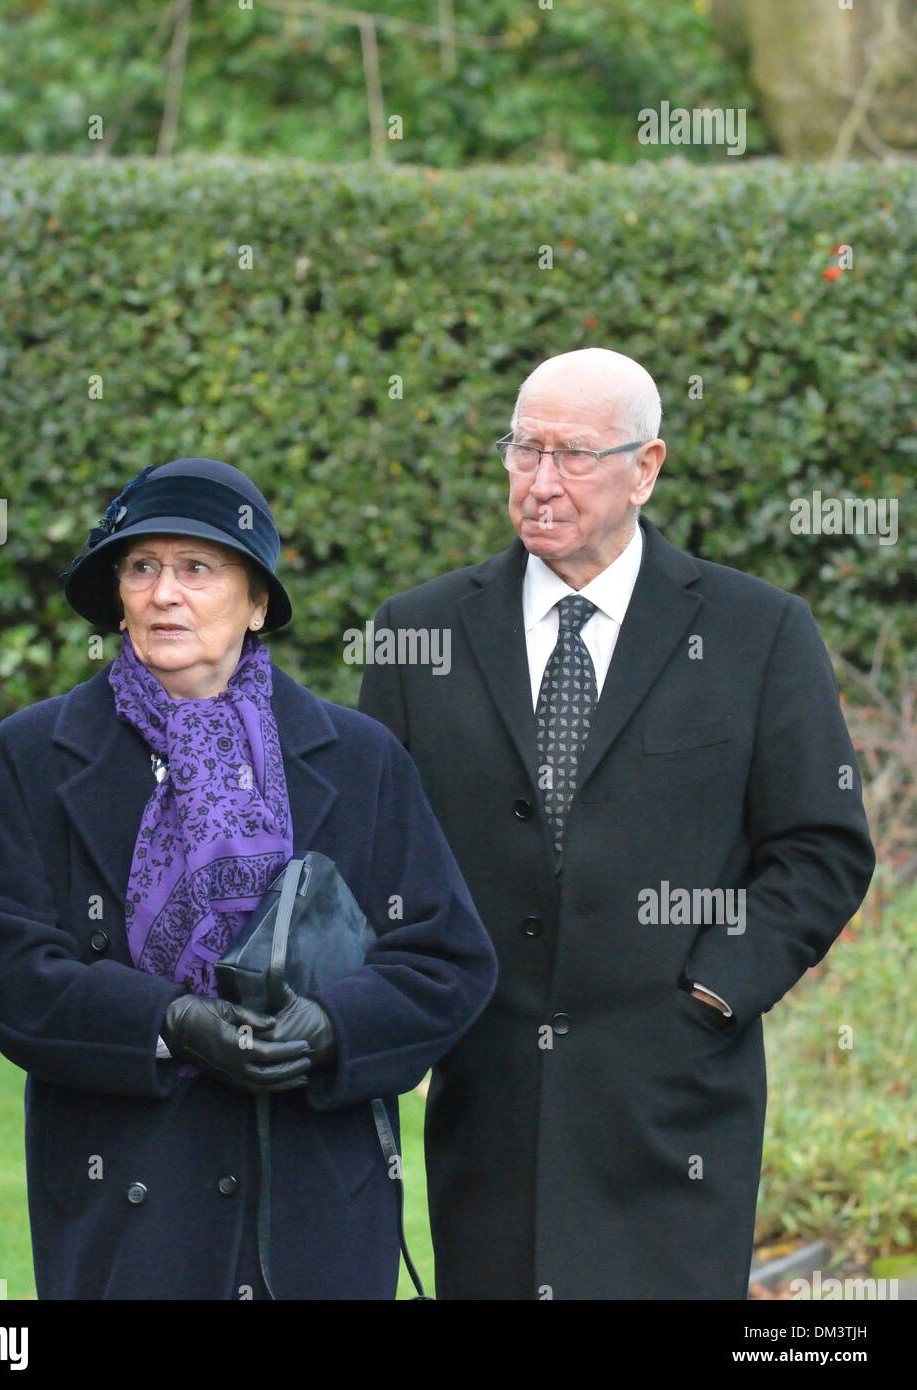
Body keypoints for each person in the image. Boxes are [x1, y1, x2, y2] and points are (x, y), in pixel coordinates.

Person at [358, 348, 875, 1300]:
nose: (541, 482)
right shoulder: (416, 632)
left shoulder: (759, 632)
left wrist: (717, 990)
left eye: (574, 455)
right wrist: (415, 1008)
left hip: (675, 1104)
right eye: (524, 450)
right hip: (488, 1102)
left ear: (646, 468)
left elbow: (821, 845)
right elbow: (375, 850)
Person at [0, 456, 497, 1301]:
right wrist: (165, 1021)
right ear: (118, 593)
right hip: (125, 1200)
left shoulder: (360, 758)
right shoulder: (32, 757)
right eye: (141, 567)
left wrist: (333, 1029)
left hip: (316, 1206)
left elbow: (445, 959)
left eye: (198, 568)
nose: (165, 593)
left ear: (258, 601)